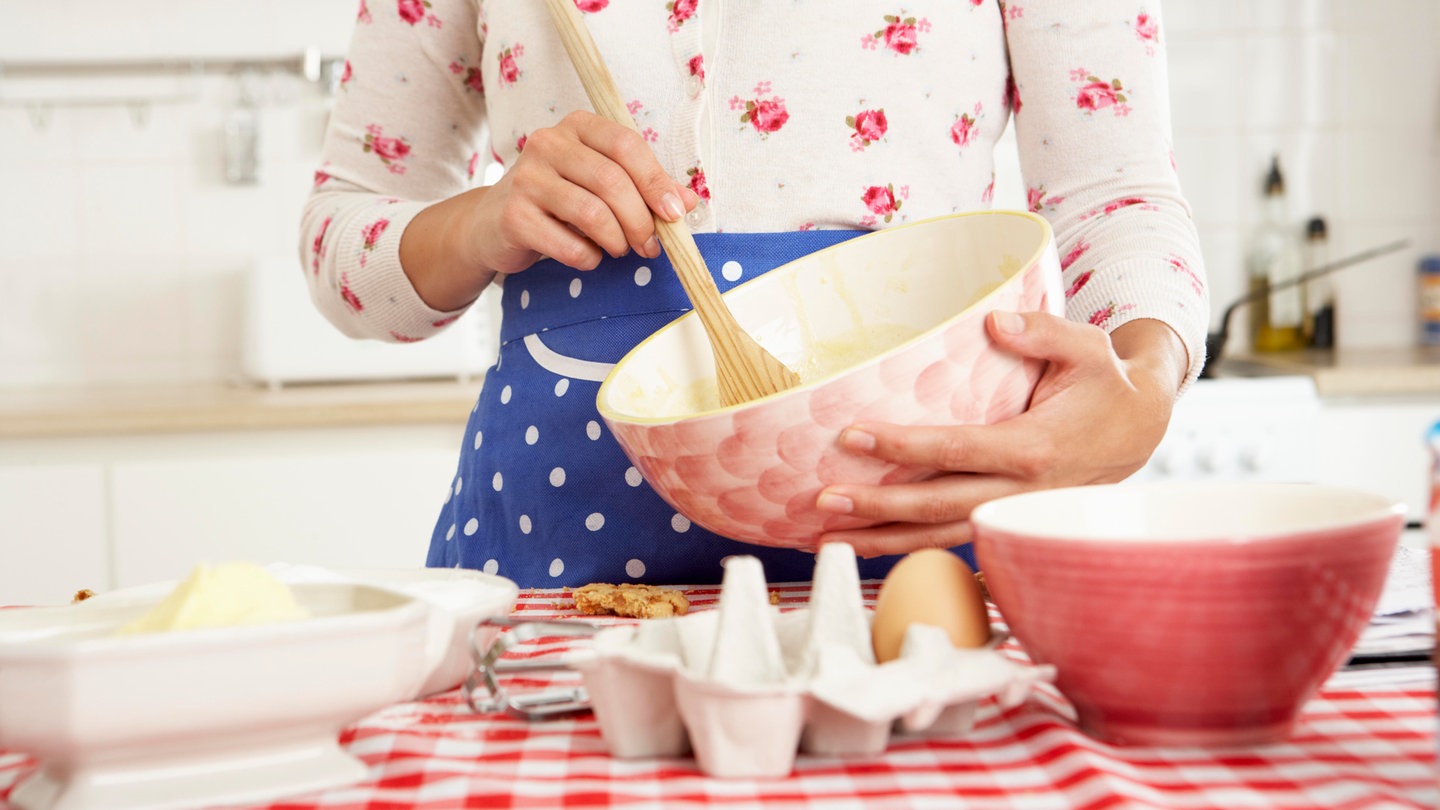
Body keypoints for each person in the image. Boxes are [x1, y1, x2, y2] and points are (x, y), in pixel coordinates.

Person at [300, 0, 1207, 587]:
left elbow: (1114, 195)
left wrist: (1144, 387)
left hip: (916, 552)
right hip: (552, 578)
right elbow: (342, 240)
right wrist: (481, 222)